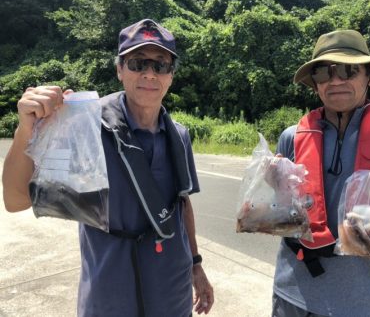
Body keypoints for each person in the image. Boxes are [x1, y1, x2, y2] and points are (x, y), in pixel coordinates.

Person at [2, 19, 214, 317]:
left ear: (171, 76)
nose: (149, 74)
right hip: (109, 299)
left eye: (161, 65)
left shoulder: (179, 134)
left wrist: (196, 264)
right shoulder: (85, 126)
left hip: (173, 298)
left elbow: (182, 202)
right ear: (119, 69)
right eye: (138, 63)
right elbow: (15, 200)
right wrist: (26, 130)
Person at [271, 30, 370, 317]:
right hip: (292, 294)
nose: (336, 81)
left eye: (349, 70)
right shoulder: (291, 138)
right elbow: (283, 219)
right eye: (324, 72)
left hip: (363, 302)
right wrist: (277, 189)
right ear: (314, 83)